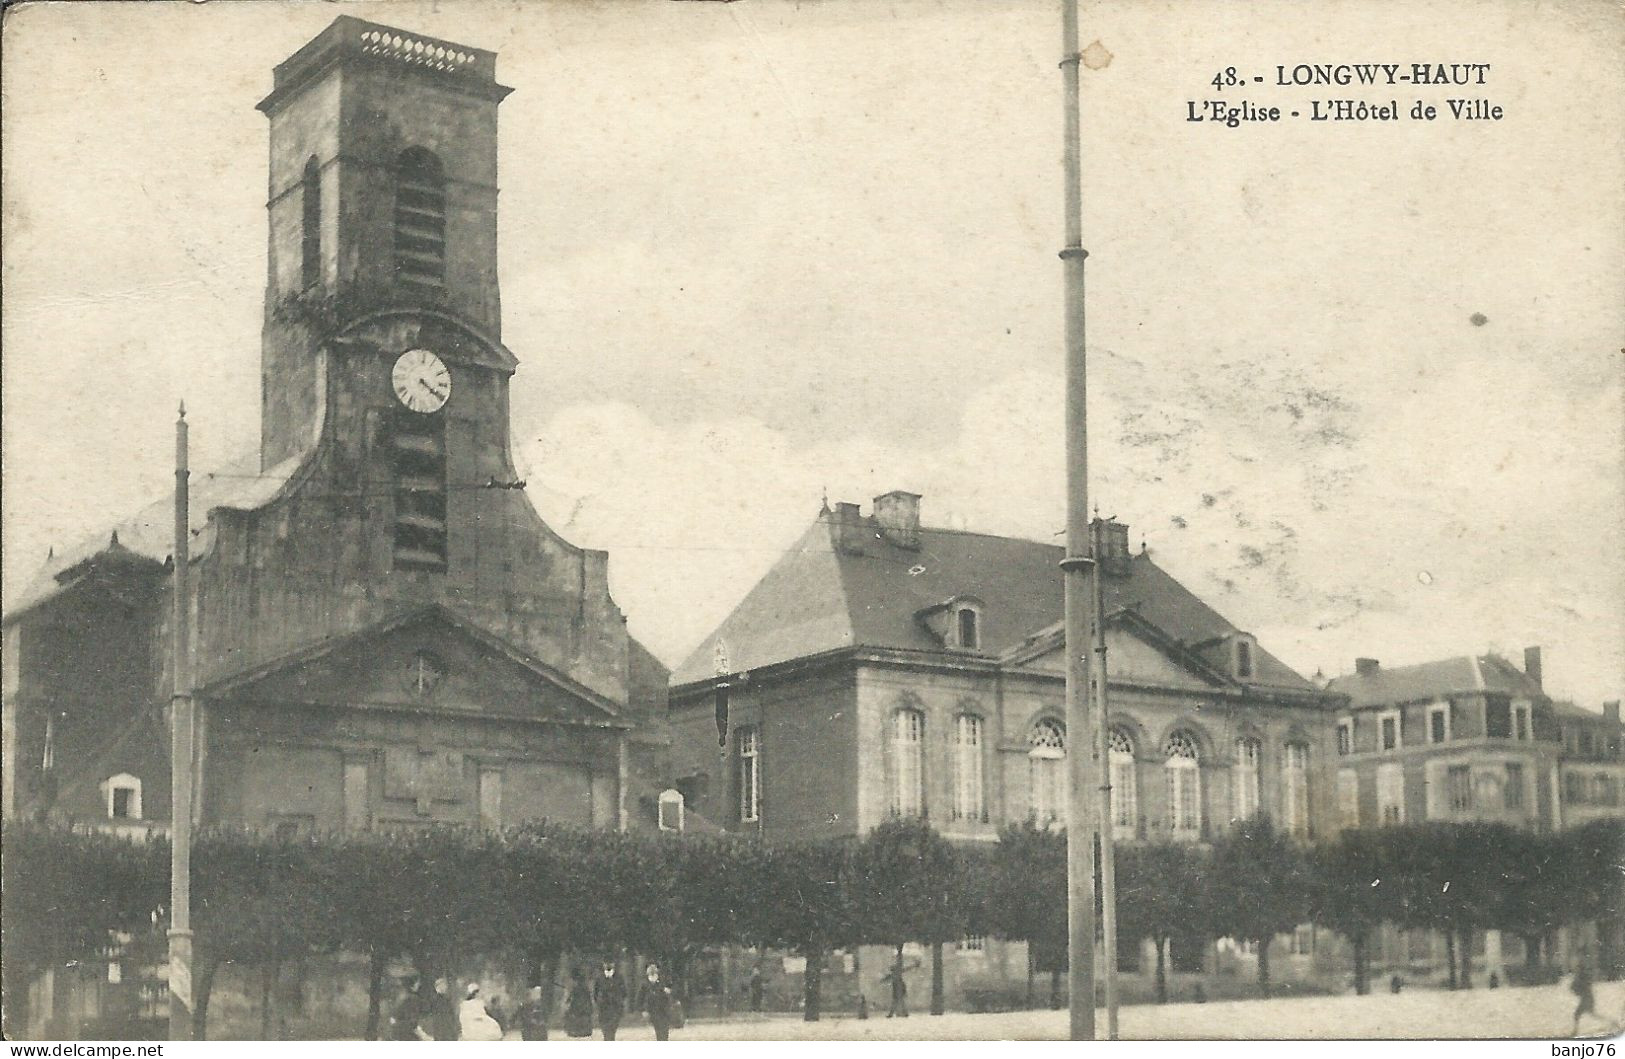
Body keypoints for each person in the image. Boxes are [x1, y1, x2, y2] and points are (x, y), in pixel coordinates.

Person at [595, 959, 629, 1040]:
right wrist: (600, 1003)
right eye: (606, 963)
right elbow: (595, 993)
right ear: (603, 965)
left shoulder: (619, 977)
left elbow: (624, 992)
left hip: (615, 1008)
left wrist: (618, 1000)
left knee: (612, 1029)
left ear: (614, 964)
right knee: (605, 1030)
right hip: (603, 1008)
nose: (608, 965)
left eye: (610, 963)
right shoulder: (599, 978)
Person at [643, 963, 675, 1041]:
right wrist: (644, 1010)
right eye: (651, 975)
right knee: (659, 1031)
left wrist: (667, 992)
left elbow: (670, 995)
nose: (653, 978)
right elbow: (641, 998)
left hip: (664, 1011)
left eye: (654, 975)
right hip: (653, 1011)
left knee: (664, 1031)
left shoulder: (662, 983)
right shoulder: (645, 985)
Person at [564, 965, 595, 1039]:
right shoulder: (583, 987)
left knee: (578, 1017)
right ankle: (581, 1031)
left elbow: (570, 996)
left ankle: (579, 1031)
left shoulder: (578, 987)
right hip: (580, 1004)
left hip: (578, 1004)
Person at [1571, 959, 1598, 1036]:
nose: (1576, 969)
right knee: (1592, 1014)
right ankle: (1611, 1022)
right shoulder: (1582, 976)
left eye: (1578, 968)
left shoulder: (1582, 977)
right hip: (1587, 998)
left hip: (1587, 999)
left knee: (1577, 1014)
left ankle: (1575, 1031)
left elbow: (1582, 987)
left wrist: (1576, 988)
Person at [428, 977, 460, 1041]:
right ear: (437, 987)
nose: (445, 987)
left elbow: (451, 1015)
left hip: (446, 1028)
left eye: (445, 986)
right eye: (443, 986)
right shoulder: (436, 999)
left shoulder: (446, 999)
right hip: (441, 1027)